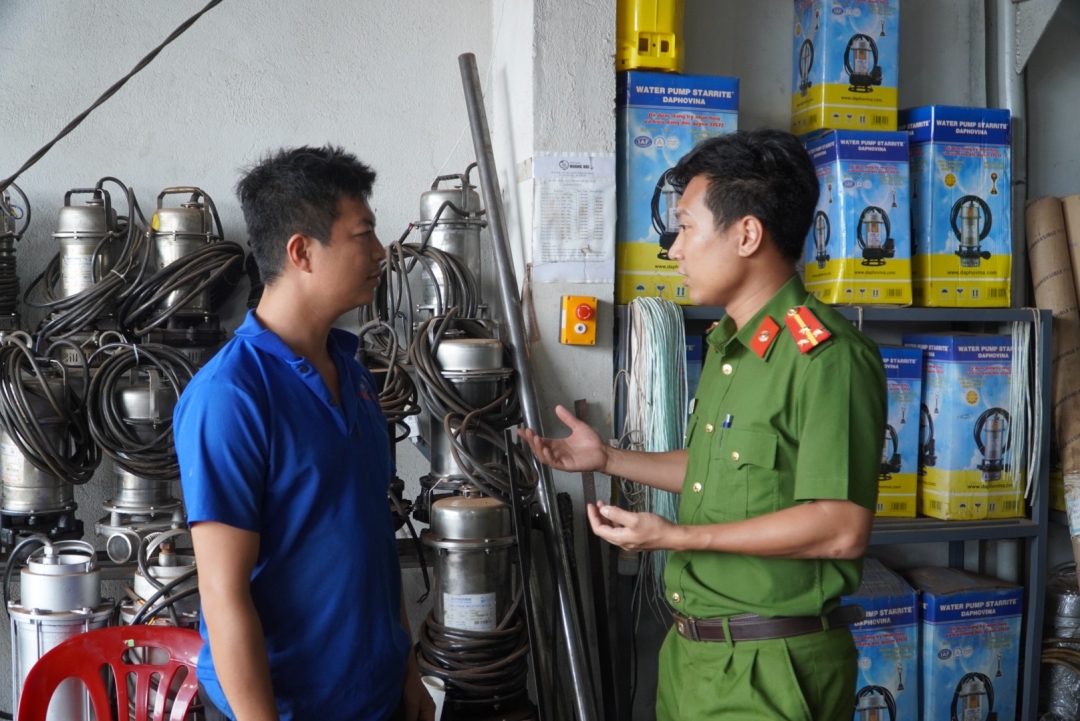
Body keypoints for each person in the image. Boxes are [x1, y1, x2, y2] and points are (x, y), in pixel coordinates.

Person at [520, 129, 886, 720]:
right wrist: (608, 458)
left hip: (770, 670)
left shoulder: (827, 357)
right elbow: (713, 472)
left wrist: (677, 537)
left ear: (747, 234)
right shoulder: (730, 347)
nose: (674, 250)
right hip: (693, 658)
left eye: (687, 227)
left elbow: (840, 528)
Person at [174, 145, 433, 721]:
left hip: (377, 696)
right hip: (290, 707)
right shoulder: (232, 396)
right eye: (362, 234)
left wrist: (407, 669)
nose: (380, 251)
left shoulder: (355, 375)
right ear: (301, 252)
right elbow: (223, 594)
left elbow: (371, 536)